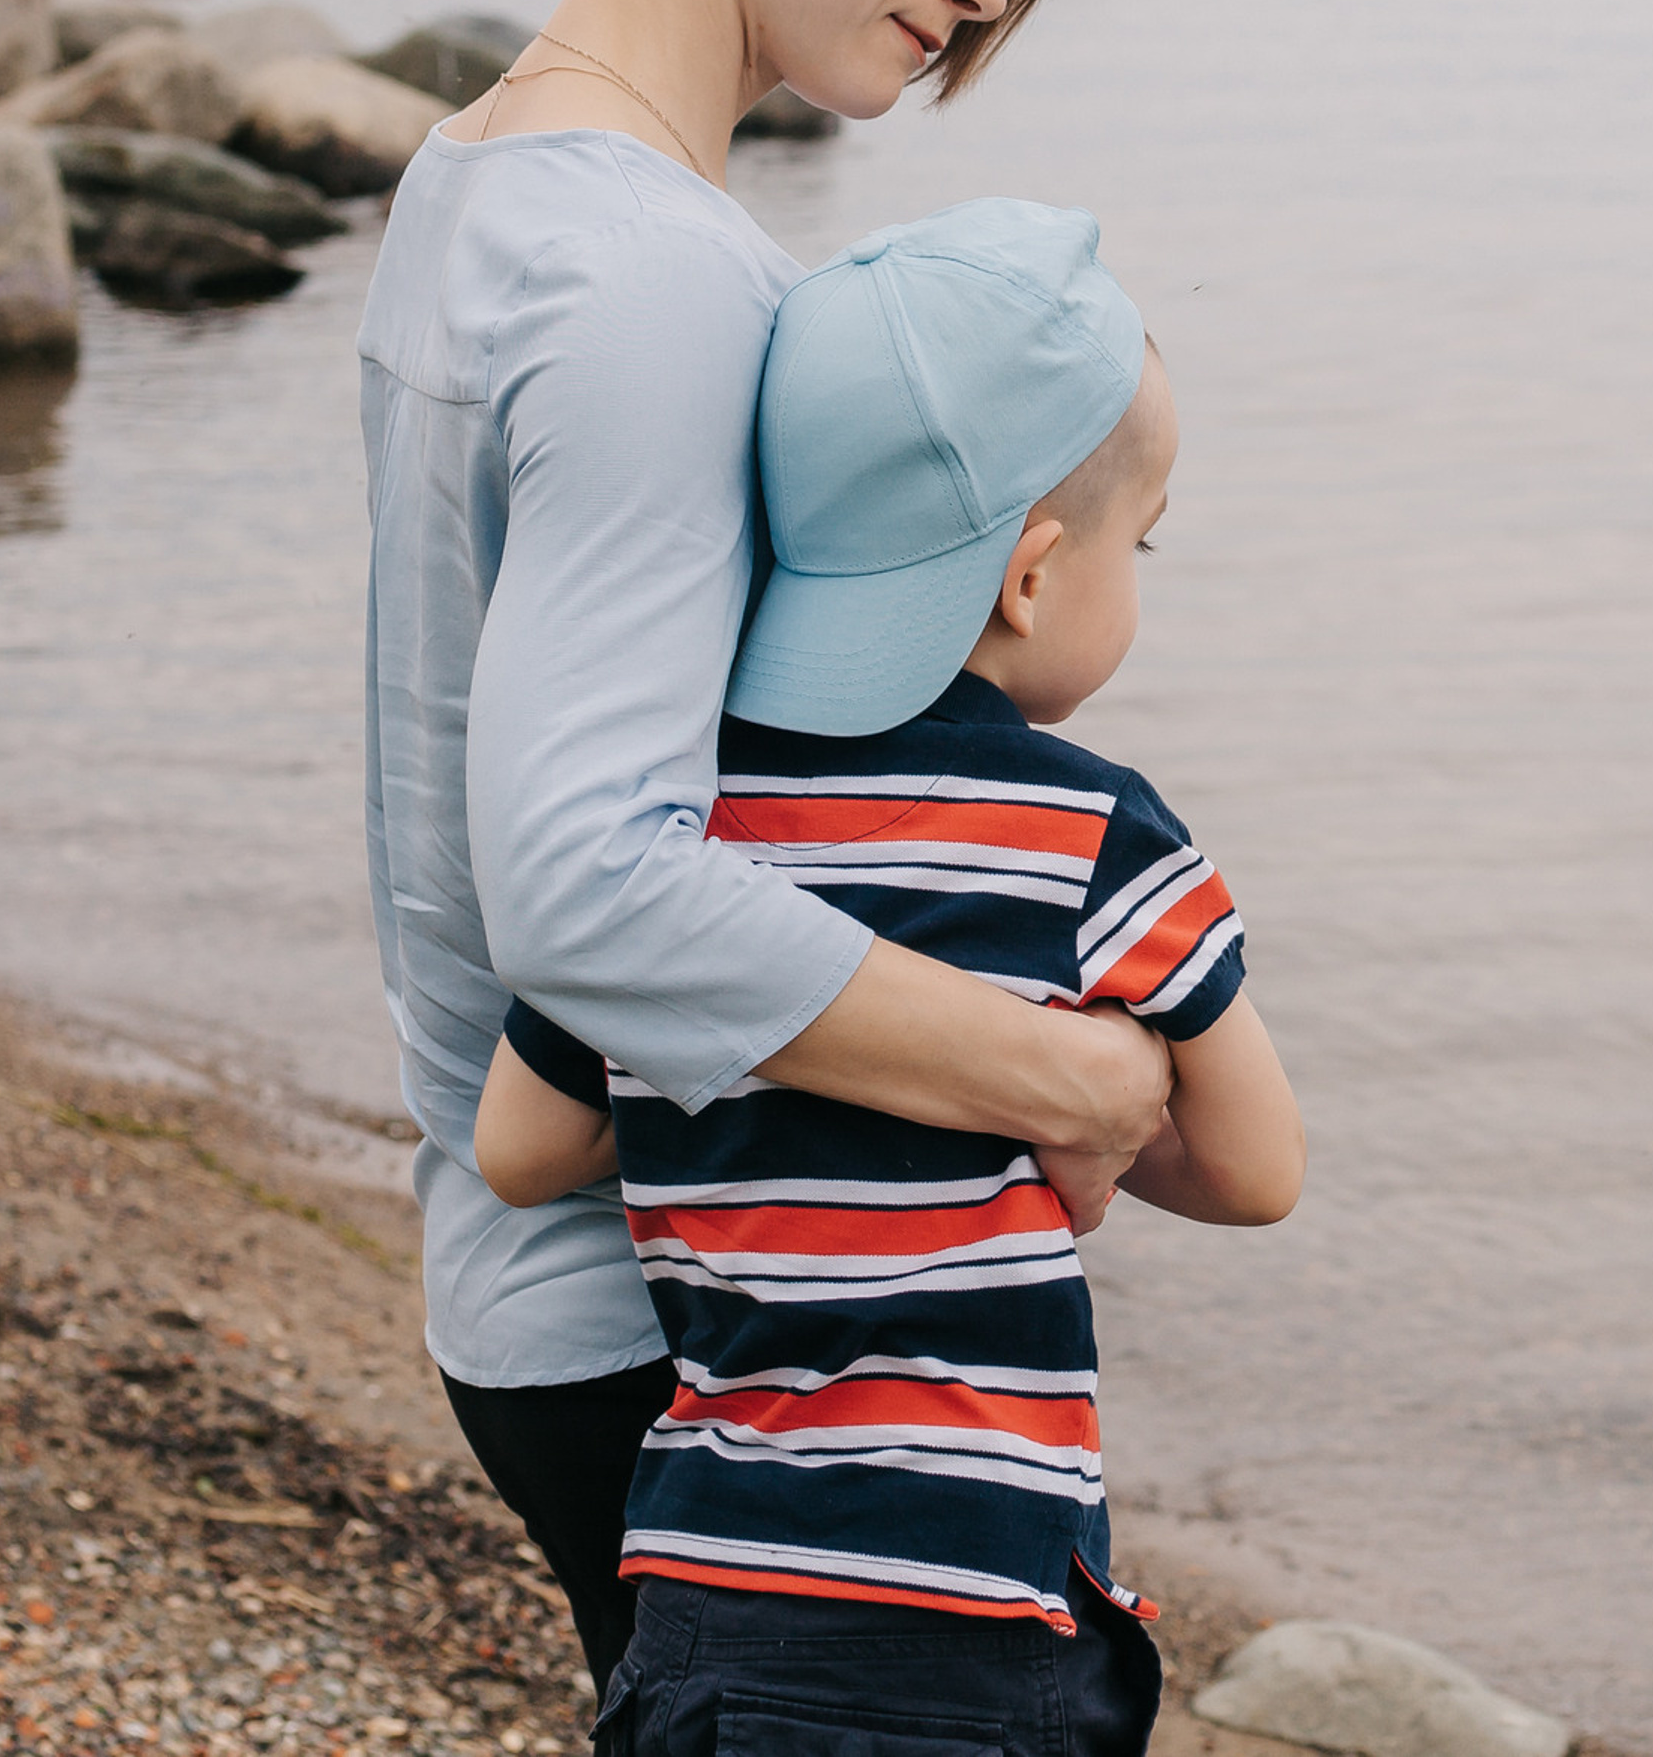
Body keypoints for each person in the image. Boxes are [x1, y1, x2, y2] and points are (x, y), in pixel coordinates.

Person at [356, 0, 1174, 1702]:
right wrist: (1061, 1071)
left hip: (553, 1265)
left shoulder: (488, 178)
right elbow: (581, 881)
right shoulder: (649, 281)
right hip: (683, 1327)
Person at [475, 200, 1304, 1757]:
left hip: (709, 1595)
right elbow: (1257, 1173)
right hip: (975, 1612)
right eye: (1149, 540)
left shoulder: (673, 824)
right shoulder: (1094, 837)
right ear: (1035, 576)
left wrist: (741, 1069)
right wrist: (1065, 1107)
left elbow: (522, 1150)